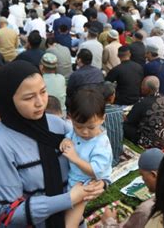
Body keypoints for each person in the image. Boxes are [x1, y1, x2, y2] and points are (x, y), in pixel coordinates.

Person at [0, 61, 105, 227]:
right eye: (29, 97)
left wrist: (100, 183)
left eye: (43, 92)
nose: (40, 102)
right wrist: (70, 198)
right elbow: (8, 214)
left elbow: (92, 158)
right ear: (7, 101)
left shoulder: (58, 126)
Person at [60, 88, 113, 228]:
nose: (84, 132)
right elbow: (70, 136)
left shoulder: (101, 144)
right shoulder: (76, 130)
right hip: (73, 180)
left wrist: (75, 159)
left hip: (86, 185)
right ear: (70, 118)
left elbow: (96, 171)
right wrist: (66, 141)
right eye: (78, 126)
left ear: (103, 119)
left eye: (90, 127)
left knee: (70, 223)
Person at [102, 148, 164, 227]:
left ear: (153, 175)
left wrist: (108, 221)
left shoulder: (147, 209)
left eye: (142, 175)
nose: (142, 179)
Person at [124, 76, 164, 149]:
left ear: (147, 89)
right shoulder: (163, 97)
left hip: (152, 142)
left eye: (142, 85)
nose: (141, 87)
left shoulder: (142, 103)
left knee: (124, 126)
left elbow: (130, 120)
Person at [100, 81, 124, 166]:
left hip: (102, 158)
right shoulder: (119, 111)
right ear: (111, 97)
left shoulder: (94, 114)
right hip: (116, 155)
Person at [40, 53, 67, 117]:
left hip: (45, 116)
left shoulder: (39, 81)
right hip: (62, 115)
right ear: (56, 67)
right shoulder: (61, 78)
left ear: (41, 67)